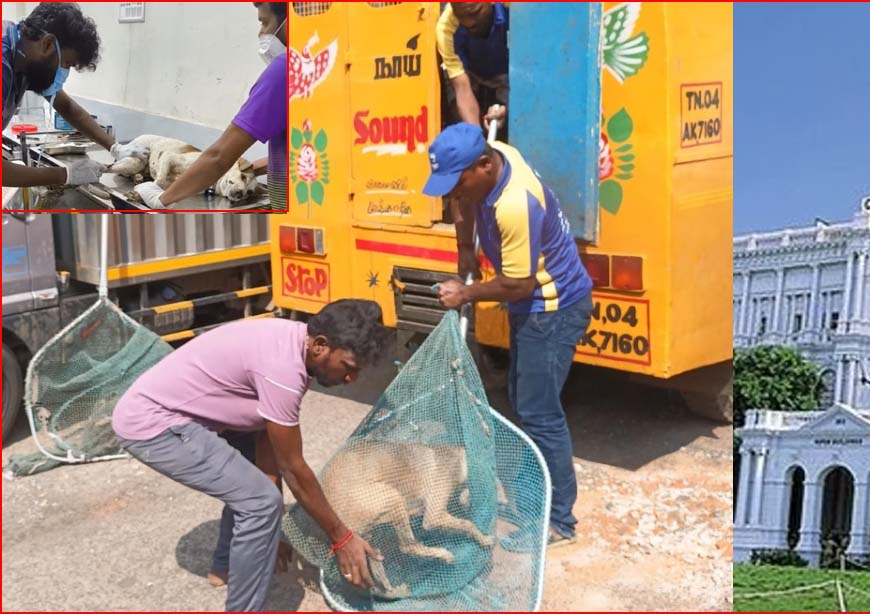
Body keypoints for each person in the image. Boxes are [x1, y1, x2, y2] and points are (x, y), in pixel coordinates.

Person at [112, 300, 390, 612]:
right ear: (321, 346)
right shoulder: (283, 370)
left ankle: (225, 566)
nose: (351, 379)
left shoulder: (295, 341)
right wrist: (341, 538)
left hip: (188, 414)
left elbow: (267, 444)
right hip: (154, 422)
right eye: (349, 368)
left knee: (256, 494)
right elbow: (293, 469)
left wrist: (272, 533)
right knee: (260, 504)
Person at [425, 123, 593, 547]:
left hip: (551, 310)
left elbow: (519, 285)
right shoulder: (494, 152)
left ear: (484, 166)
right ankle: (537, 500)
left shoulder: (514, 204)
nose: (454, 195)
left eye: (458, 184)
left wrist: (466, 291)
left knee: (540, 413)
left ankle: (558, 522)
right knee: (524, 402)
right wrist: (465, 249)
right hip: (532, 308)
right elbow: (464, 204)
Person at [131, 2, 287, 210]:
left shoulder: (285, 70)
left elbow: (219, 156)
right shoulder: (328, 66)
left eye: (265, 23)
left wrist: (161, 198)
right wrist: (249, 169)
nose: (262, 33)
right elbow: (299, 152)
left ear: (290, 22)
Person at [2, 3, 113, 188]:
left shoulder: (23, 53)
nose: (64, 74)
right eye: (67, 64)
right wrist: (65, 175)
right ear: (47, 44)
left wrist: (115, 147)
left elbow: (67, 107)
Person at [436, 2, 509, 131]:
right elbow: (462, 89)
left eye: (474, 12)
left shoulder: (517, 9)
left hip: (511, 71)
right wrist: (477, 143)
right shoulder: (445, 29)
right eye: (460, 15)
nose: (468, 22)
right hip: (471, 71)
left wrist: (508, 108)